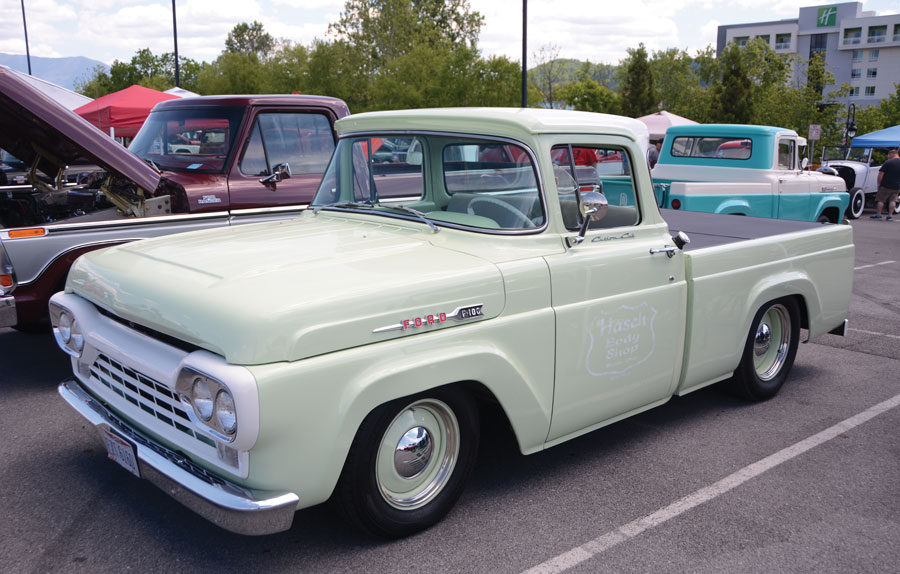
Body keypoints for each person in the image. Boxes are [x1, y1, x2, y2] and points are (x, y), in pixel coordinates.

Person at [871, 148, 900, 221]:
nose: (888, 156)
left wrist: (879, 184)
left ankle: (878, 214)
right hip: (897, 186)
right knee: (893, 200)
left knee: (881, 200)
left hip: (886, 185)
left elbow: (881, 174)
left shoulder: (888, 162)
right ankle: (890, 215)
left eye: (889, 155)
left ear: (892, 154)